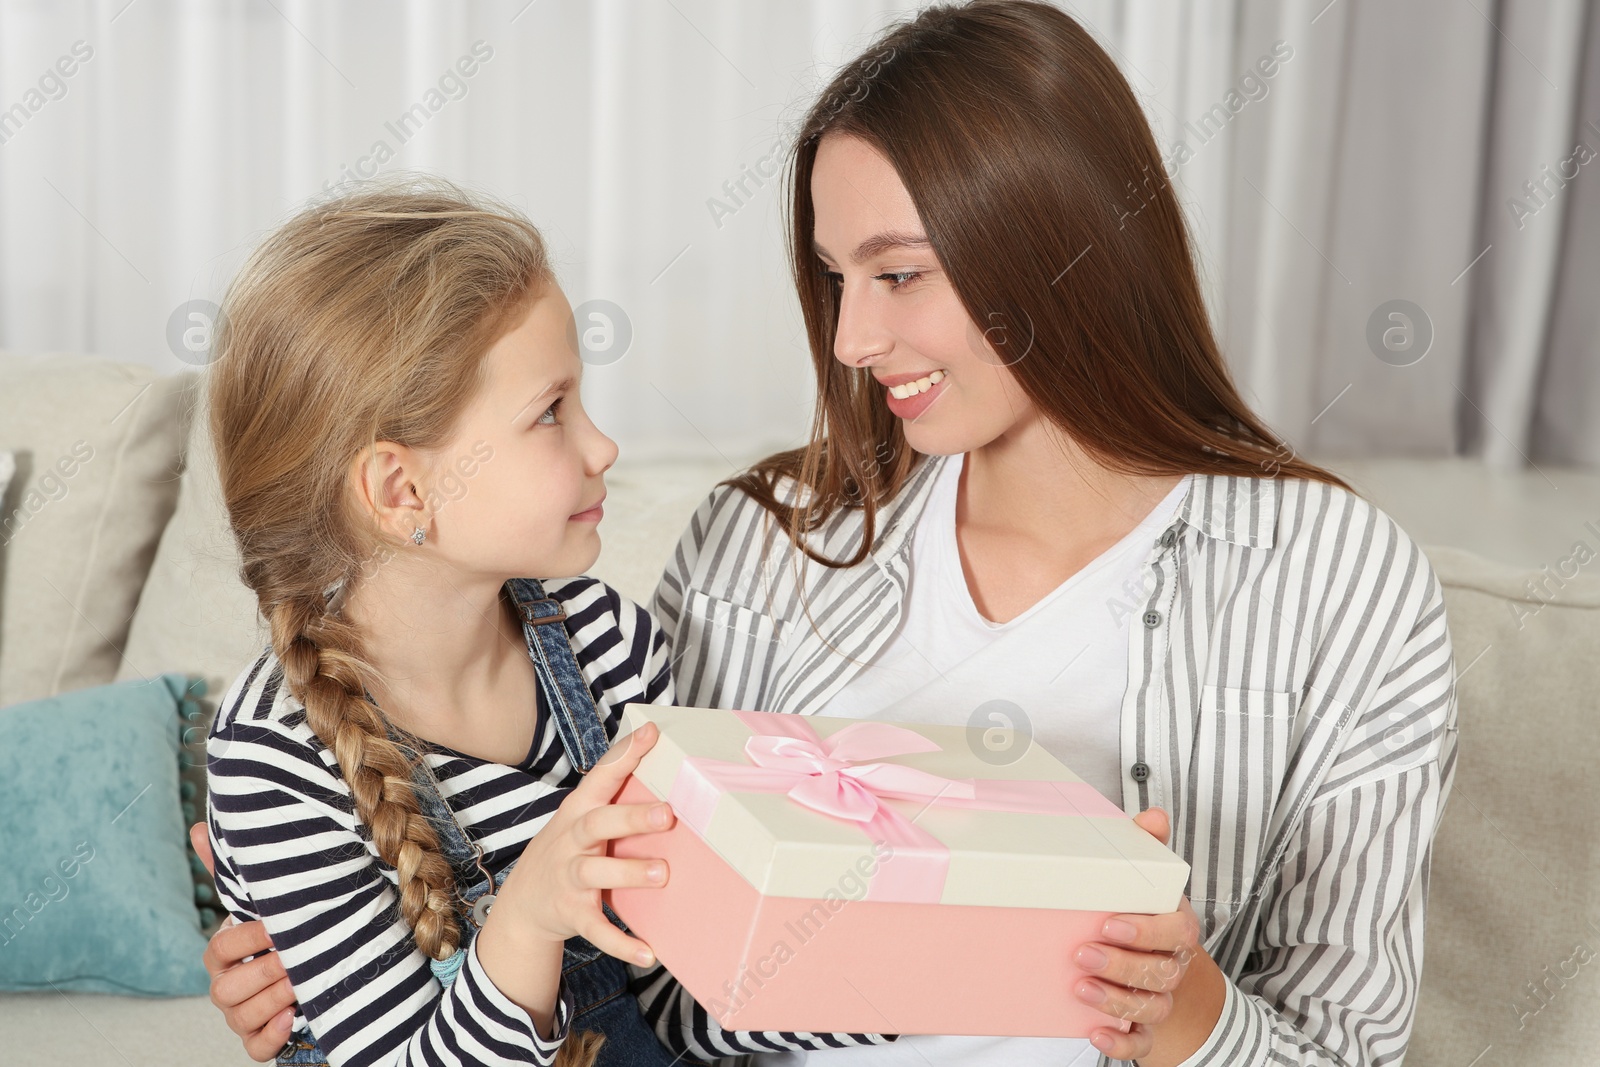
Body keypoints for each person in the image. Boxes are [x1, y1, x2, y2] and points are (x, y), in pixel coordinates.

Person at [199, 3, 1459, 1066]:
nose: (850, 341)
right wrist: (320, 959)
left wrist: (1185, 1016)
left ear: (1062, 249)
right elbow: (654, 962)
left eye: (899, 274)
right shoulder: (761, 544)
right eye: (834, 278)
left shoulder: (1340, 587)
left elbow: (1343, 1037)